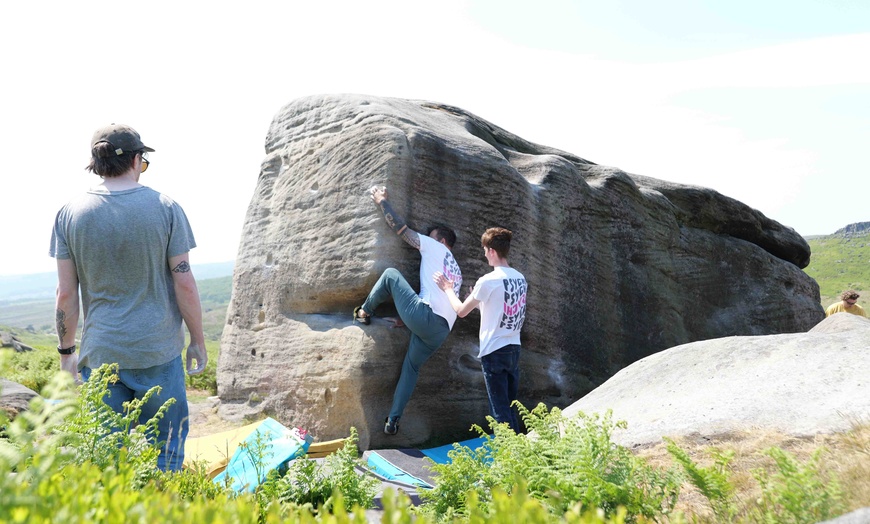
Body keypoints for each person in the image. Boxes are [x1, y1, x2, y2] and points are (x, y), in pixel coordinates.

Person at [49, 123, 207, 471]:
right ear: (137, 160)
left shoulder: (69, 214)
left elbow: (65, 294)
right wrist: (197, 339)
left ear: (96, 164)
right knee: (166, 452)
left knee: (108, 460)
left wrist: (66, 354)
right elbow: (184, 282)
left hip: (101, 353)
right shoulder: (165, 207)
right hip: (157, 351)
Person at [354, 186, 463, 435]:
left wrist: (382, 202)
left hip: (425, 318)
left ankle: (364, 312)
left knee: (391, 274)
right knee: (411, 369)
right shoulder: (456, 270)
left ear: (442, 240)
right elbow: (439, 297)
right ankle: (393, 421)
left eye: (431, 236)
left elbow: (402, 230)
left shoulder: (437, 247)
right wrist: (409, 317)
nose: (426, 238)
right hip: (440, 331)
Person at [434, 227, 527, 433]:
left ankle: (508, 458)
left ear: (492, 251)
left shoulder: (487, 281)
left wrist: (448, 289)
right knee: (512, 406)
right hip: (513, 347)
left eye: (485, 250)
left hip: (494, 351)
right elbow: (503, 308)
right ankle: (522, 454)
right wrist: (478, 301)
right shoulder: (520, 278)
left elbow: (460, 311)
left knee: (500, 411)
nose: (484, 254)